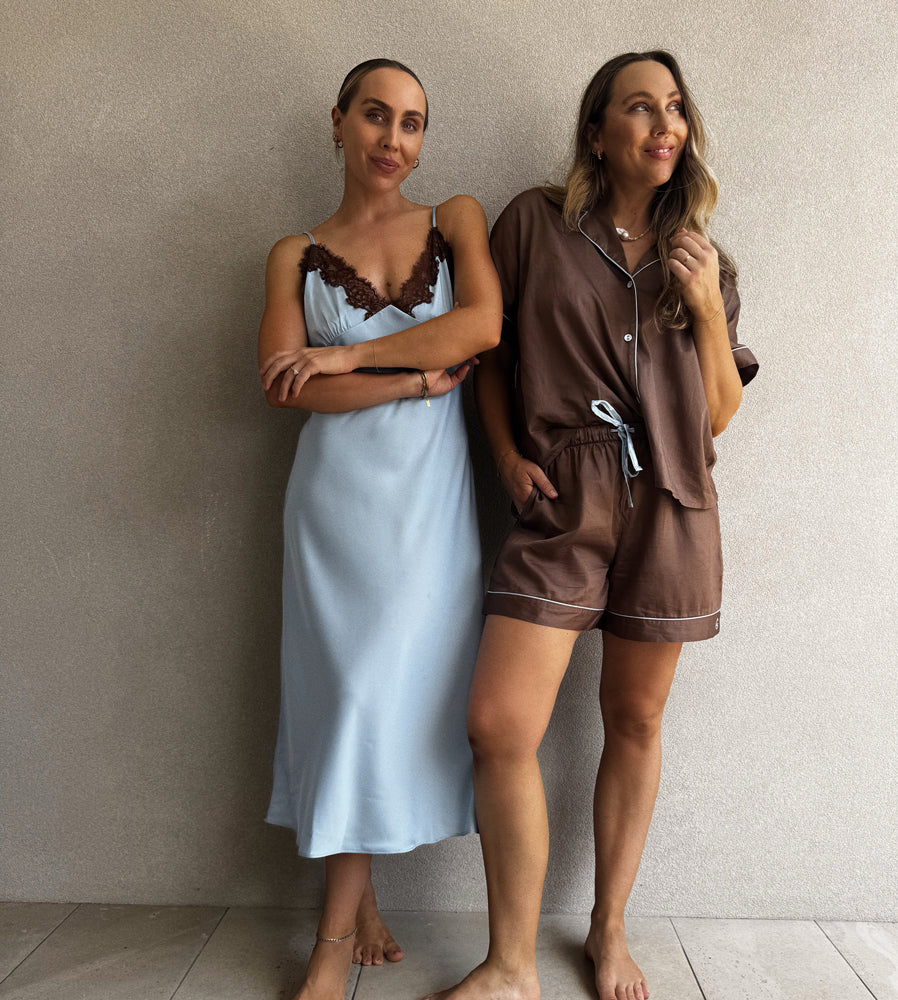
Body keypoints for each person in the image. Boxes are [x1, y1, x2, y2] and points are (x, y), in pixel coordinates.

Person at [428, 51, 758, 1000]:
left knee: (636, 719)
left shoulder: (709, 262)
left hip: (671, 504)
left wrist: (699, 309)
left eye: (676, 109)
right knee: (498, 724)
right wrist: (504, 455)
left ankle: (608, 931)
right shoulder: (534, 224)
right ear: (597, 130)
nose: (664, 123)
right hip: (562, 497)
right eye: (640, 108)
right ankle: (511, 964)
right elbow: (489, 352)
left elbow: (718, 414)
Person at [257, 58, 501, 1000]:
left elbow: (479, 324)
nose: (393, 140)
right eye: (374, 116)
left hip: (428, 517)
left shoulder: (458, 218)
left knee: (387, 703)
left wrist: (349, 353)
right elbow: (286, 385)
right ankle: (335, 933)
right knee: (346, 700)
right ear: (338, 122)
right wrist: (406, 381)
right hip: (334, 511)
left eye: (412, 123)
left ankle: (349, 914)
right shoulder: (290, 252)